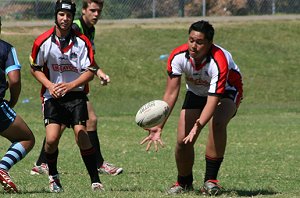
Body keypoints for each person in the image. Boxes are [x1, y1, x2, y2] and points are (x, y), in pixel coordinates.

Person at [140, 20, 243, 196]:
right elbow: (171, 94)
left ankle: (211, 182)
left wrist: (198, 126)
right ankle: (184, 182)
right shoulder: (178, 57)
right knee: (182, 141)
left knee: (217, 123)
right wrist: (159, 124)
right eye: (191, 40)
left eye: (200, 42)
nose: (193, 46)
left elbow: (213, 99)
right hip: (196, 92)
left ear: (210, 43)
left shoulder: (218, 60)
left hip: (227, 92)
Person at [30, 0, 123, 176]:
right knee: (87, 121)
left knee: (65, 125)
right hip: (67, 88)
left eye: (99, 11)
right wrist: (97, 73)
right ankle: (98, 164)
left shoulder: (89, 29)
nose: (96, 14)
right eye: (93, 10)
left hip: (73, 87)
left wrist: (99, 72)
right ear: (84, 10)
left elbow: (89, 61)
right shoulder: (77, 28)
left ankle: (42, 162)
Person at [0, 35, 35, 193]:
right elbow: (14, 80)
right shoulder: (5, 48)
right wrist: (12, 101)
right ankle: (2, 168)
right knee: (26, 138)